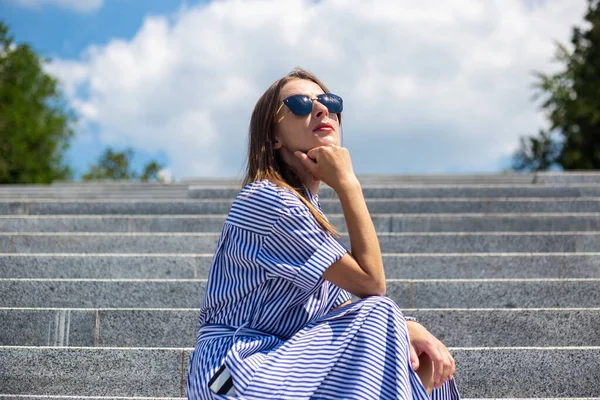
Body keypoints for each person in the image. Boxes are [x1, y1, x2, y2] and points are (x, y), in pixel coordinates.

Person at [186, 67, 461, 399]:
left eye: (330, 102)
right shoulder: (269, 199)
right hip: (235, 372)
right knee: (381, 314)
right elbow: (372, 284)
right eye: (300, 104)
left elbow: (342, 306)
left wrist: (409, 327)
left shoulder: (306, 214)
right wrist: (348, 183)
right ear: (273, 137)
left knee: (416, 352)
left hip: (283, 364)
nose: (321, 109)